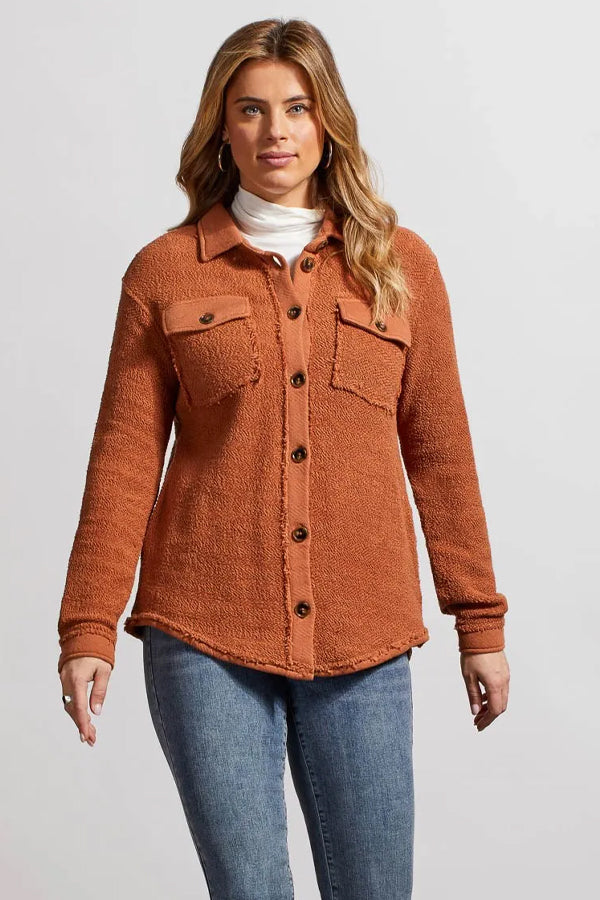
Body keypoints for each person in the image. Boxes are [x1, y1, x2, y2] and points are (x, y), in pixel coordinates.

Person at [57, 17, 510, 899]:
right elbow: (122, 462)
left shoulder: (401, 267)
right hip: (204, 638)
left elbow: (442, 453)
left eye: (297, 108)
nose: (276, 131)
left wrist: (479, 624)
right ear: (221, 127)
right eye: (252, 109)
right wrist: (88, 627)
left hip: (365, 635)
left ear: (327, 122)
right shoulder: (164, 273)